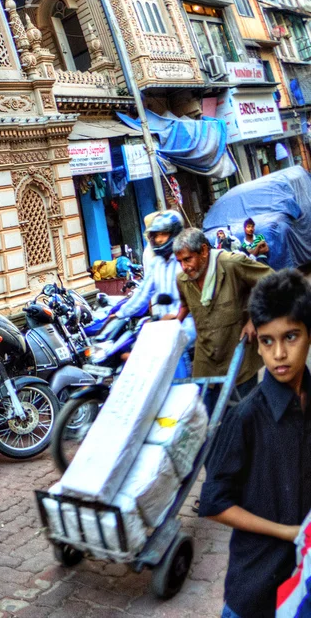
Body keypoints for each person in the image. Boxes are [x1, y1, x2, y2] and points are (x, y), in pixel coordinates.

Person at [198, 270, 311, 618]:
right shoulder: (245, 418)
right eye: (267, 341)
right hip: (257, 586)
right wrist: (289, 532)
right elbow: (214, 502)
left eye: (291, 337)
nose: (278, 354)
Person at [173, 227, 272, 381]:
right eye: (180, 262)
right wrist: (172, 326)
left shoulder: (232, 264)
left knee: (244, 404)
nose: (184, 267)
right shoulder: (182, 280)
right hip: (206, 363)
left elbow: (273, 283)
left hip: (239, 359)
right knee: (206, 404)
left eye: (188, 259)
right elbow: (185, 305)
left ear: (204, 251)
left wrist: (254, 320)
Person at [118, 209, 185, 320]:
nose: (159, 239)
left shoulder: (184, 260)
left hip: (188, 322)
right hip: (166, 324)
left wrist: (177, 314)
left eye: (164, 234)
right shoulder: (157, 263)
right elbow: (143, 292)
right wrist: (119, 314)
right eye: (157, 235)